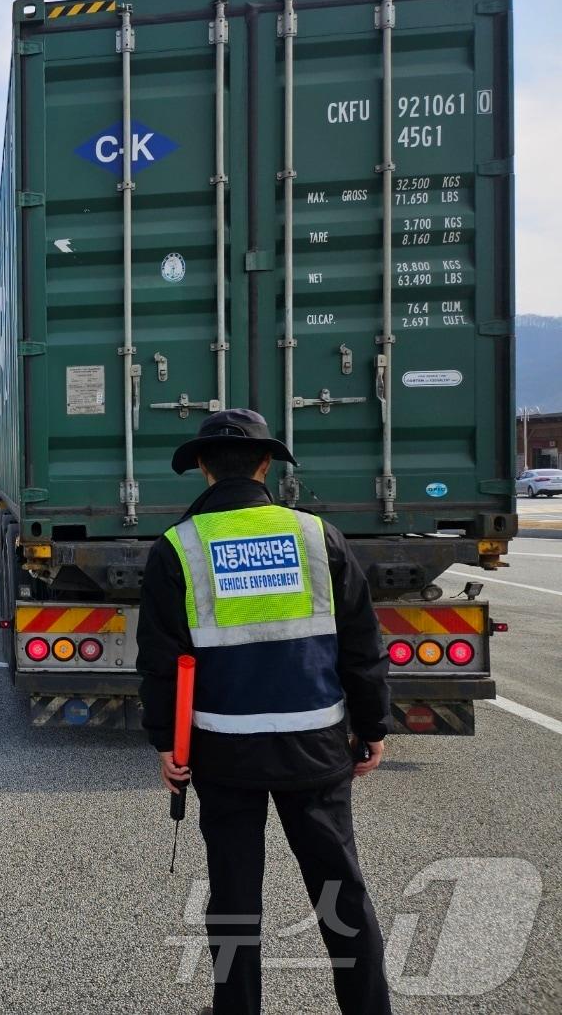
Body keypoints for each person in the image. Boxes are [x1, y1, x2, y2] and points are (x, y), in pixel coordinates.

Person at [136, 409, 393, 1015]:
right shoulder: (316, 534)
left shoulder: (179, 547)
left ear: (202, 468)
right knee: (340, 893)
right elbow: (361, 641)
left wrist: (166, 745)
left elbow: (161, 661)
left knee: (232, 898)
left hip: (224, 752)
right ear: (265, 465)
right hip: (316, 746)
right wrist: (374, 725)